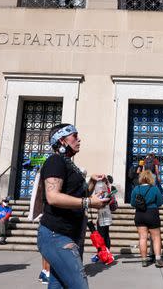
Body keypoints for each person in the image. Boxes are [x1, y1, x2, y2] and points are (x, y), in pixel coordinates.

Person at [36, 123, 109, 289]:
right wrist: (89, 202)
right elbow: (53, 197)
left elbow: (77, 196)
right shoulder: (55, 161)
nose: (79, 139)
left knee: (58, 286)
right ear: (62, 140)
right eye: (75, 136)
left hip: (69, 234)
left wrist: (91, 182)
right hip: (57, 235)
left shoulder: (67, 163)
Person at [130, 170, 163, 268]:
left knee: (142, 237)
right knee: (156, 237)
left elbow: (132, 203)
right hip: (152, 213)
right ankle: (158, 260)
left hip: (139, 214)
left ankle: (144, 260)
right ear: (151, 178)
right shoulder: (154, 189)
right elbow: (160, 202)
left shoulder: (136, 189)